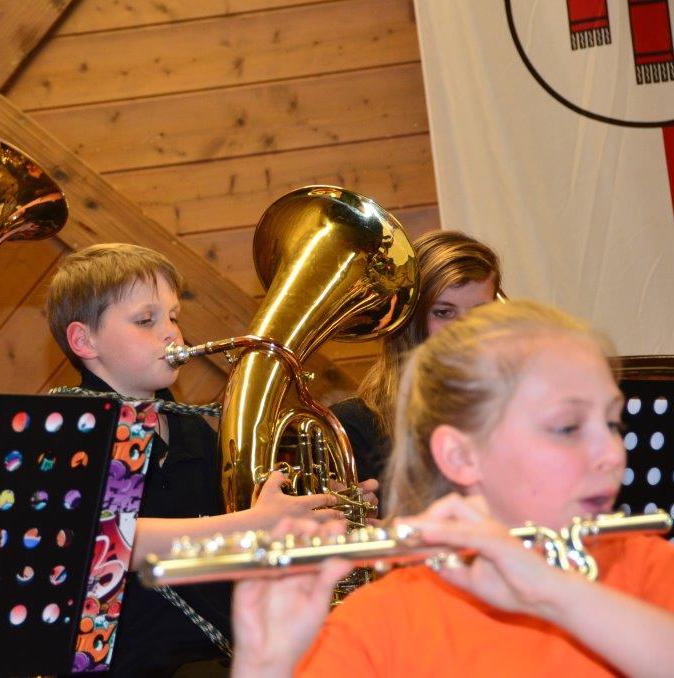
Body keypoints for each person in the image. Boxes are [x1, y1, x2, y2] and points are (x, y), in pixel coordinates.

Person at [232, 300, 674, 677]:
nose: (612, 453)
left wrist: (553, 592)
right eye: (568, 427)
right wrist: (264, 666)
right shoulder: (383, 622)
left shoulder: (644, 566)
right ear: (461, 456)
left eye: (612, 423)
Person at [46, 243, 376, 677]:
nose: (171, 333)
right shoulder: (72, 430)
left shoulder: (190, 429)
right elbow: (100, 538)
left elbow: (238, 538)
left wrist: (315, 512)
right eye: (146, 320)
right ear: (84, 340)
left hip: (220, 656)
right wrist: (252, 523)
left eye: (173, 316)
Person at [333, 230, 502, 484]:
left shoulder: (516, 410)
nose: (466, 331)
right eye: (443, 312)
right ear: (410, 320)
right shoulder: (352, 427)